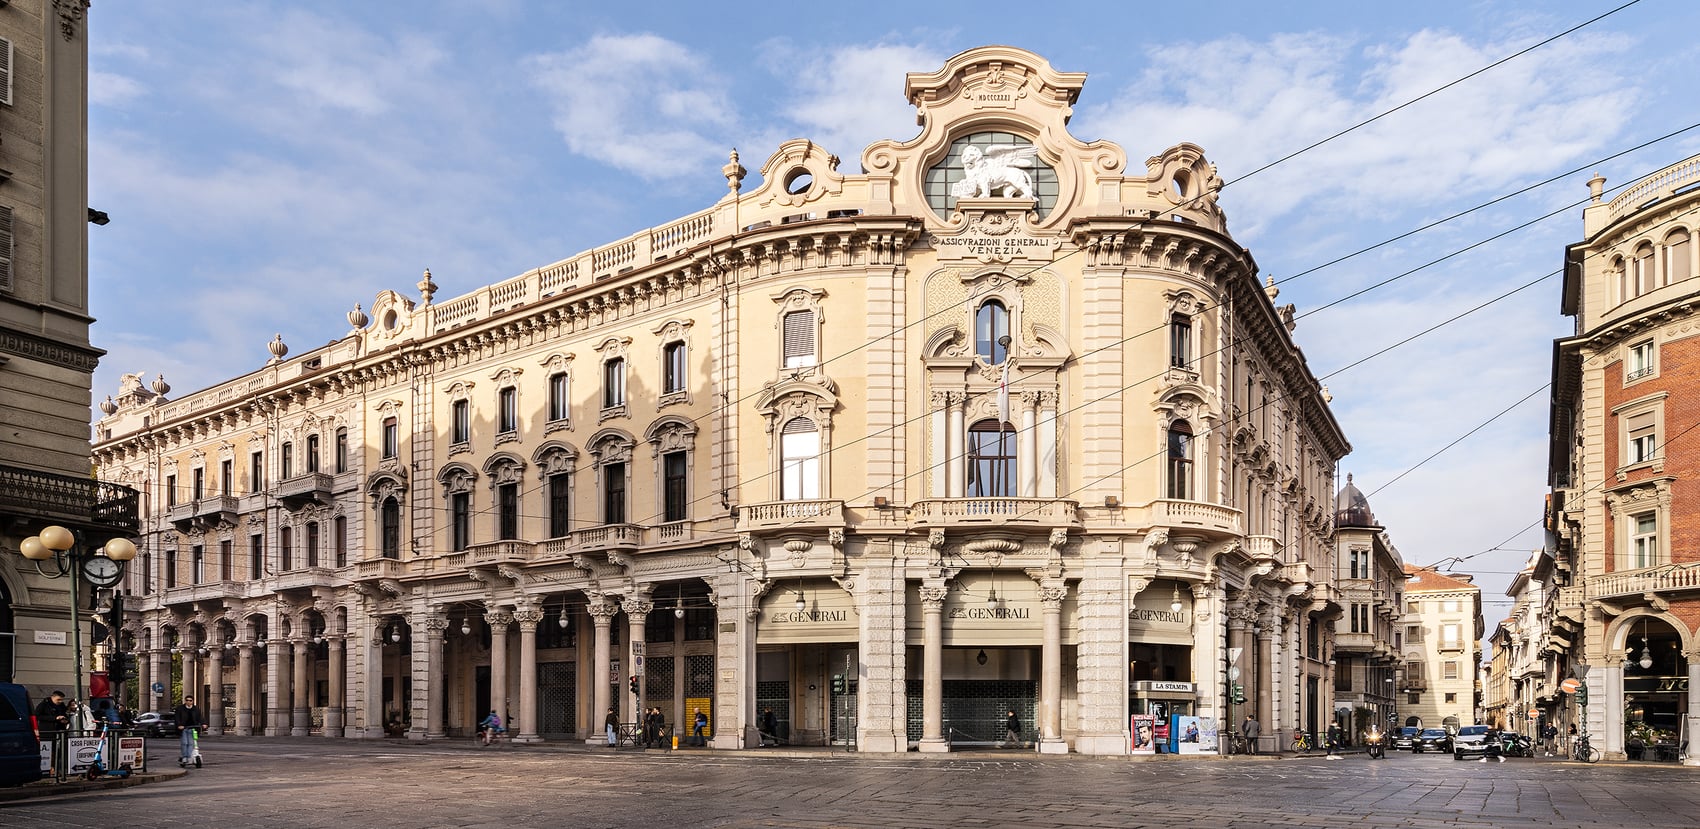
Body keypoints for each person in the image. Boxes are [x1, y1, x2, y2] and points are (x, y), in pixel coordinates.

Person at [173, 696, 203, 767]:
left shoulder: (196, 709)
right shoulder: (180, 708)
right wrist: (179, 725)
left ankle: (189, 757)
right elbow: (177, 718)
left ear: (193, 701)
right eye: (187, 700)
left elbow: (200, 717)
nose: (189, 702)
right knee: (184, 743)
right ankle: (184, 757)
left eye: (190, 700)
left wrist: (203, 723)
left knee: (191, 744)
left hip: (193, 728)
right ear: (185, 701)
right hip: (184, 728)